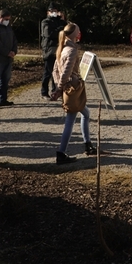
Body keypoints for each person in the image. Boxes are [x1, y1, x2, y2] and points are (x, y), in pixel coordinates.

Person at [51, 22, 96, 164]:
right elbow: (66, 72)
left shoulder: (62, 48)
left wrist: (58, 87)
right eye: (78, 30)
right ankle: (61, 152)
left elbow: (55, 71)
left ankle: (87, 144)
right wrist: (60, 88)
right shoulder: (71, 51)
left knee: (86, 113)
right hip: (73, 88)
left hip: (69, 87)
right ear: (74, 34)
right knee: (70, 120)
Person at [39, 4, 67, 100]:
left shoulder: (61, 22)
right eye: (52, 11)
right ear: (48, 12)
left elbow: (67, 30)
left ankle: (55, 91)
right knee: (48, 72)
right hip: (49, 50)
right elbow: (49, 34)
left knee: (58, 72)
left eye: (55, 10)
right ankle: (44, 92)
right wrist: (60, 30)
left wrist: (62, 21)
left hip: (59, 49)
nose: (54, 13)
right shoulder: (45, 22)